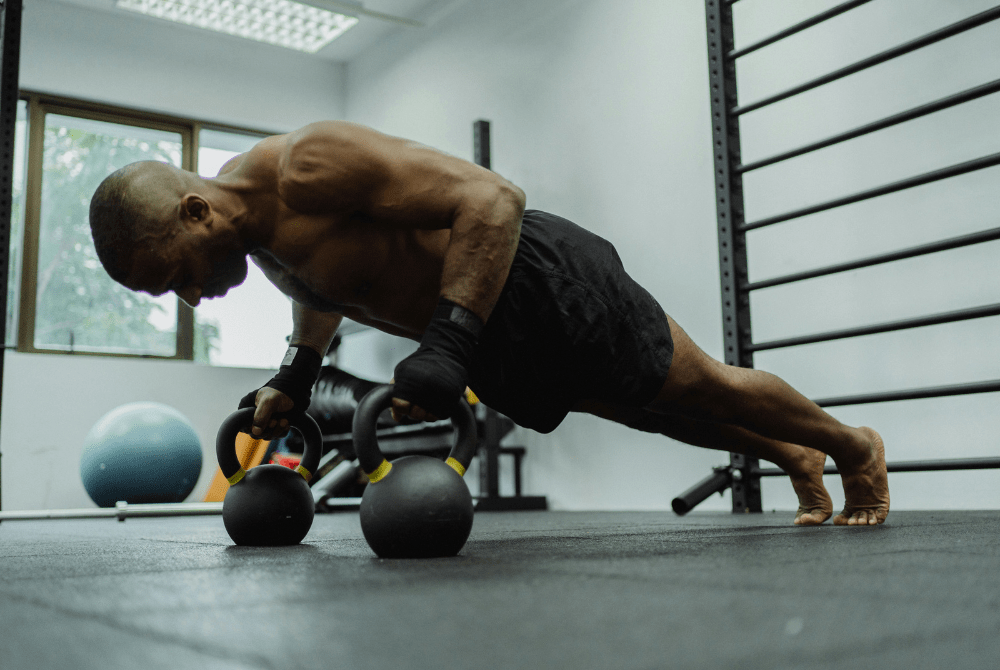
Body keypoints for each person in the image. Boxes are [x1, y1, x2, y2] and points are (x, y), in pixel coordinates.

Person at [89, 120, 889, 526]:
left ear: (196, 213)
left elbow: (493, 199)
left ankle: (853, 446)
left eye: (179, 278)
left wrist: (447, 343)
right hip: (483, 336)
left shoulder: (309, 163)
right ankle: (791, 454)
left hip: (533, 279)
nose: (192, 300)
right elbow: (322, 287)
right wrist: (297, 374)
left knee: (698, 383)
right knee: (656, 412)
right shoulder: (251, 228)